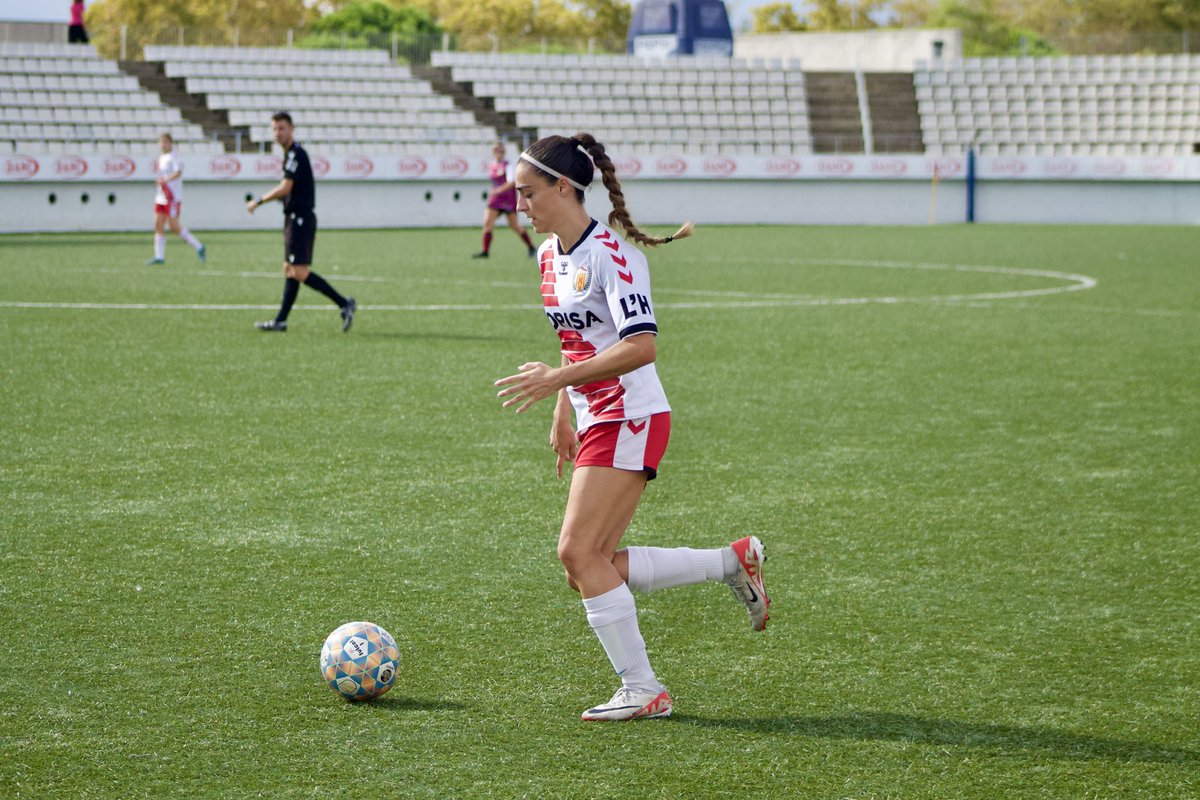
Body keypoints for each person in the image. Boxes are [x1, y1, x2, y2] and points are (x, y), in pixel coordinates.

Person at [494, 132, 770, 722]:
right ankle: (730, 562)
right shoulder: (548, 256)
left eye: (527, 193)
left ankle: (644, 689)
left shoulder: (615, 257)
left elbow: (641, 347)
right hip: (597, 415)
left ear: (563, 187)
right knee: (590, 566)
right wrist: (563, 406)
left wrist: (557, 383)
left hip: (633, 414)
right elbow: (573, 341)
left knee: (577, 552)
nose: (519, 204)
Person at [247, 111, 355, 333]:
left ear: (292, 129)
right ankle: (281, 321)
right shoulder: (290, 156)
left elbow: (286, 188)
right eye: (275, 129)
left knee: (299, 271)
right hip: (294, 218)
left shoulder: (297, 155)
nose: (278, 133)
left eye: (282, 128)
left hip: (301, 219)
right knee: (289, 269)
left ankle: (344, 303)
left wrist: (258, 201)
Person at [146, 133, 206, 266]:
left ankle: (199, 247)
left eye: (165, 142)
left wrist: (165, 180)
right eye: (160, 142)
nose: (162, 145)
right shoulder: (161, 157)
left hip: (172, 197)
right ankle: (159, 256)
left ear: (170, 143)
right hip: (160, 196)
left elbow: (178, 172)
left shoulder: (174, 156)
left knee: (174, 227)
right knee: (158, 224)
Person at [472, 141, 536, 259]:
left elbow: (512, 182)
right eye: (496, 150)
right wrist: (495, 190)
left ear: (504, 152)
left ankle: (532, 247)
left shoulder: (508, 165)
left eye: (501, 150)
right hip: (495, 199)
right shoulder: (492, 165)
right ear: (493, 152)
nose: (498, 152)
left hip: (507, 198)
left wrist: (498, 190)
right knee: (487, 222)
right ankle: (485, 251)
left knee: (514, 226)